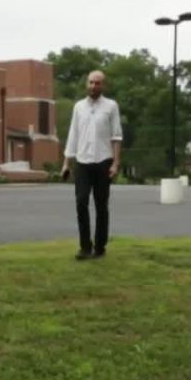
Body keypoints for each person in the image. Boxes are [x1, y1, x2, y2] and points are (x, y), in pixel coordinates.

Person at [60, 70, 123, 260]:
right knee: (81, 202)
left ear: (103, 86)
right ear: (86, 84)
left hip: (103, 161)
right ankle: (85, 247)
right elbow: (73, 135)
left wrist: (115, 163)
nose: (94, 86)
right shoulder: (79, 107)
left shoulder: (111, 106)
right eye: (91, 82)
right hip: (82, 162)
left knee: (101, 205)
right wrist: (66, 163)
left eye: (98, 83)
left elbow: (116, 136)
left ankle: (100, 247)